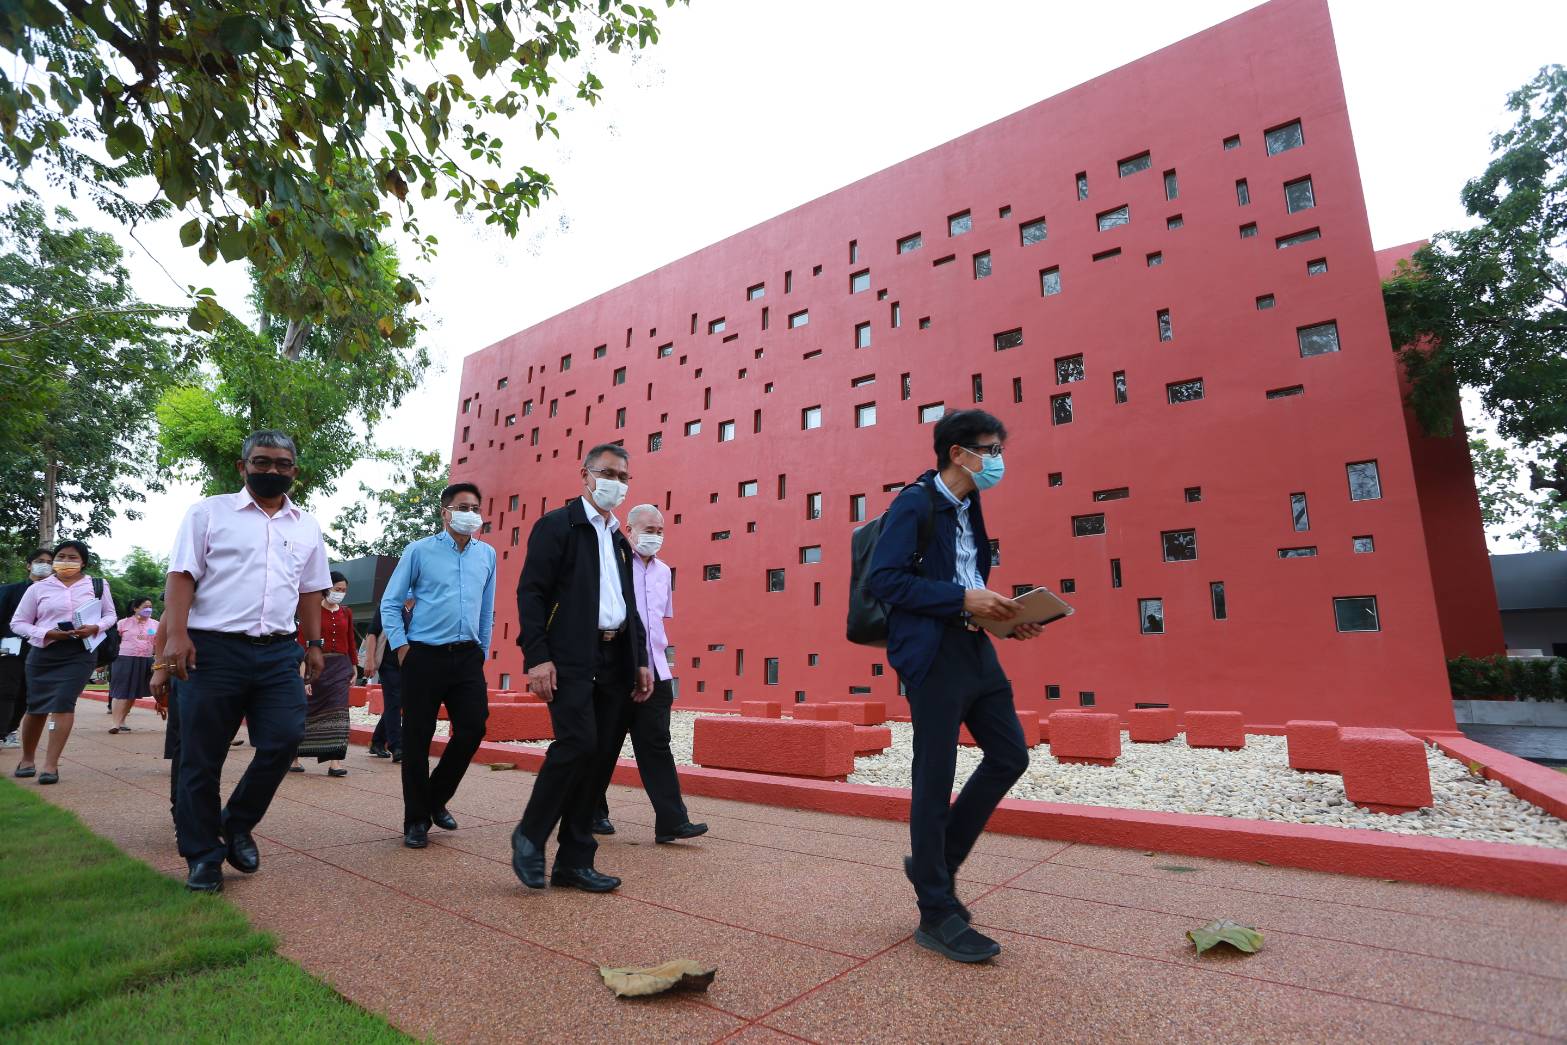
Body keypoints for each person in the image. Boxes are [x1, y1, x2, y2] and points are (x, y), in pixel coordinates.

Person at [865, 409, 1049, 964]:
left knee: (1010, 755)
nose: (997, 461)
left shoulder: (971, 505)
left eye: (999, 450)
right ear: (958, 454)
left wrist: (1005, 619)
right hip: (932, 654)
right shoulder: (915, 503)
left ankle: (936, 864)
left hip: (975, 647)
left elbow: (968, 577)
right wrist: (961, 599)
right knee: (935, 774)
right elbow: (884, 580)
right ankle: (935, 911)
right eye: (990, 450)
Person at [162, 429, 331, 892]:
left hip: (278, 651)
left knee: (285, 738)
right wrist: (176, 635)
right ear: (243, 467)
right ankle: (203, 856)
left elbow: (310, 590)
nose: (272, 470)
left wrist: (315, 644)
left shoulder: (306, 525)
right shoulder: (208, 513)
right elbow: (181, 576)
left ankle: (236, 823)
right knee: (201, 756)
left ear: (294, 471)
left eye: (282, 464)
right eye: (261, 462)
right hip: (212, 649)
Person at [512, 444, 652, 894]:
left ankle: (574, 861)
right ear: (585, 475)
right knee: (576, 743)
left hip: (615, 656)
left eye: (623, 476)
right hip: (569, 654)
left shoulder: (619, 541)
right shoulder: (558, 526)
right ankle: (530, 835)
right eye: (607, 473)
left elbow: (630, 605)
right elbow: (531, 593)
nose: (616, 483)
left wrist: (642, 659)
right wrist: (537, 656)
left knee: (599, 756)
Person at [380, 483, 496, 849]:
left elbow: (486, 609)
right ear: (445, 512)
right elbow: (390, 602)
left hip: (468, 657)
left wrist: (482, 650)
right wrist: (401, 647)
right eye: (463, 507)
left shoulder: (487, 554)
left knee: (473, 728)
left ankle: (435, 798)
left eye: (475, 507)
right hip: (424, 656)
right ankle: (416, 819)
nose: (470, 514)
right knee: (417, 738)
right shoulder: (419, 551)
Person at [589, 504, 705, 844]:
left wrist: (657, 666)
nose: (655, 536)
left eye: (660, 531)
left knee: (657, 746)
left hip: (657, 671)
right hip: (616, 671)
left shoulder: (664, 572)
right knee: (604, 746)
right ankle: (592, 811)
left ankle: (672, 821)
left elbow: (657, 622)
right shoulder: (612, 565)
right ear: (629, 529)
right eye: (648, 530)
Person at [8, 540, 117, 784]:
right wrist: (46, 633)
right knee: (36, 707)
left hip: (80, 653)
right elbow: (18, 623)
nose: (66, 561)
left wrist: (95, 627)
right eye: (61, 556)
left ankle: (51, 765)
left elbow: (110, 615)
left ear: (83, 562)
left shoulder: (97, 585)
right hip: (44, 652)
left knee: (64, 704)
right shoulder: (38, 588)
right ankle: (27, 759)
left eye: (72, 557)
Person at [291, 571, 356, 776]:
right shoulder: (312, 611)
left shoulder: (346, 612)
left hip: (340, 667)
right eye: (337, 589)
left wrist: (354, 666)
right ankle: (294, 756)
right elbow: (302, 643)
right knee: (307, 710)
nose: (340, 593)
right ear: (327, 588)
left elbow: (351, 640)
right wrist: (303, 677)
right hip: (315, 665)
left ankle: (335, 762)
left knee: (339, 711)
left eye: (344, 590)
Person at [0, 548, 53, 748]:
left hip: (40, 650)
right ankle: (1, 732)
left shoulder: (55, 595)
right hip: (10, 650)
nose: (45, 565)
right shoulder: (10, 591)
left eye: (49, 562)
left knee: (27, 694)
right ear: (29, 565)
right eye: (40, 561)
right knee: (7, 691)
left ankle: (10, 731)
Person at [366, 597, 412, 762]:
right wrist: (370, 660)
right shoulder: (389, 605)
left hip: (410, 665)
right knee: (394, 702)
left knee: (399, 702)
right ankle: (396, 746)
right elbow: (372, 633)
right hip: (389, 663)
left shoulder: (421, 607)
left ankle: (377, 741)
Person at [108, 596, 158, 732]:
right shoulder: (123, 623)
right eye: (145, 607)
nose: (148, 609)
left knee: (133, 692)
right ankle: (115, 724)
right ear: (135, 608)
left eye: (150, 607)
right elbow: (113, 642)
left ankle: (122, 721)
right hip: (124, 659)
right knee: (121, 691)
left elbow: (157, 643)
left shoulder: (155, 624)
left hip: (145, 659)